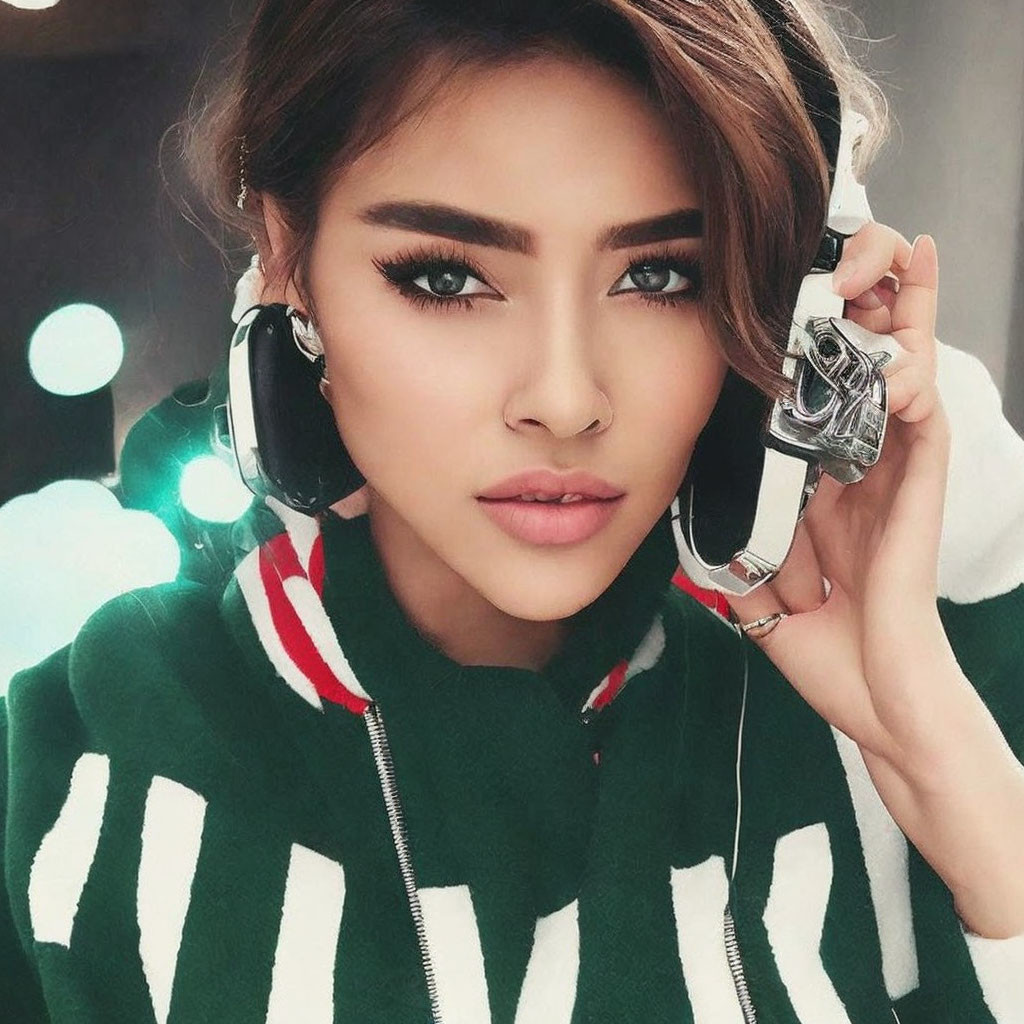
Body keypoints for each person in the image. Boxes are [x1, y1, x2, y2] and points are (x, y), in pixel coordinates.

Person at [2, 1, 1023, 1021]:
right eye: (447, 277)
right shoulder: (65, 772)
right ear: (286, 257)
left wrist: (933, 748)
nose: (566, 399)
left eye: (662, 274)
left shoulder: (915, 709)